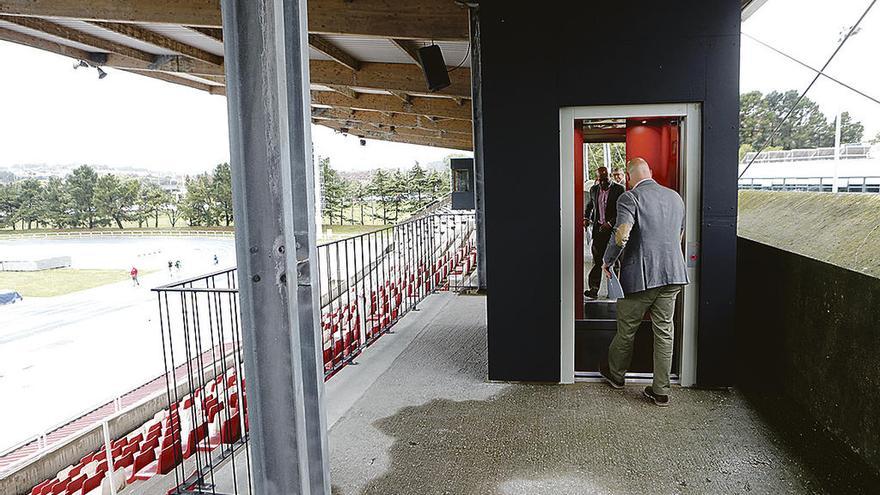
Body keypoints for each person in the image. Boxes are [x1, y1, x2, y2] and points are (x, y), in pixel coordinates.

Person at [598, 157, 688, 407]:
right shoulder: (675, 197)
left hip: (641, 277)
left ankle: (616, 376)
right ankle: (660, 390)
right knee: (664, 333)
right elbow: (678, 235)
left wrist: (607, 261)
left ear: (628, 177)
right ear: (651, 171)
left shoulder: (630, 197)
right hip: (672, 275)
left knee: (626, 330)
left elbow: (622, 233)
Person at [584, 166, 625, 299]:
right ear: (597, 179)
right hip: (599, 230)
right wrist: (586, 217)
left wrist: (611, 223)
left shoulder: (619, 189)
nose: (603, 183)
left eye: (605, 179)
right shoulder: (594, 189)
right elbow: (590, 205)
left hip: (613, 231)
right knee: (597, 260)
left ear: (610, 177)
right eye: (600, 180)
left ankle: (615, 291)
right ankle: (594, 289)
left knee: (614, 260)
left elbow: (622, 210)